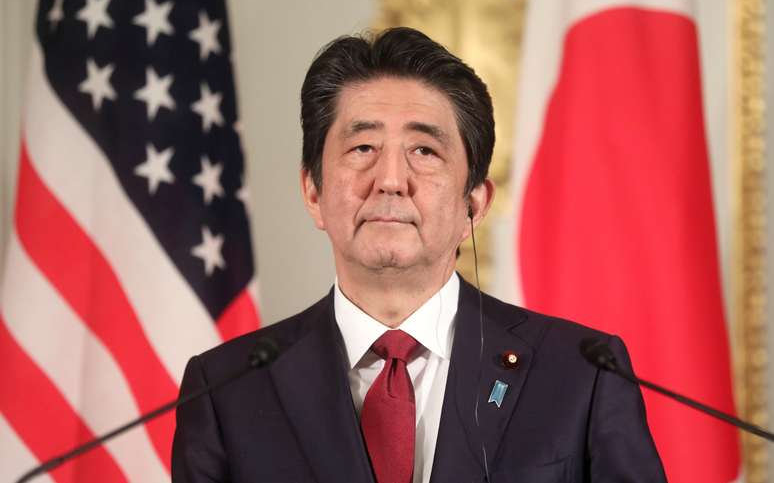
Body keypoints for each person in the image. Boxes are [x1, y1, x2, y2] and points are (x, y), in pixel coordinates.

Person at [172, 27, 666, 483]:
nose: (390, 179)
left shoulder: (581, 374)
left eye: (424, 151)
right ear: (313, 193)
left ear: (474, 204)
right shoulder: (226, 390)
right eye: (362, 147)